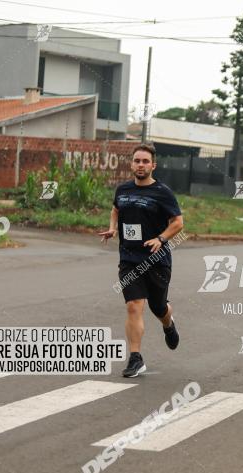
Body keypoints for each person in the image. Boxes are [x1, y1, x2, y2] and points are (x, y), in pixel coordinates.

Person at [99, 144, 184, 378]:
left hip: (157, 260)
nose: (140, 165)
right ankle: (136, 358)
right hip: (129, 258)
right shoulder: (123, 190)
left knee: (158, 306)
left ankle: (168, 324)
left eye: (145, 161)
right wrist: (112, 229)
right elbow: (116, 210)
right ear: (132, 163)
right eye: (137, 160)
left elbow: (178, 222)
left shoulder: (162, 192)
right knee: (133, 305)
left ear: (153, 165)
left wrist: (161, 238)